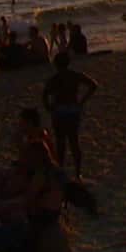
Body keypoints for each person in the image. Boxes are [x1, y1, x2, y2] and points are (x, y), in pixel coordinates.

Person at [43, 52, 98, 180]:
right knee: (74, 142)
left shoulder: (54, 79)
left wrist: (48, 107)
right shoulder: (75, 75)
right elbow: (93, 85)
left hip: (59, 111)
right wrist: (82, 101)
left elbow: (45, 95)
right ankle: (78, 173)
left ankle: (61, 171)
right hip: (73, 109)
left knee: (61, 143)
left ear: (56, 64)